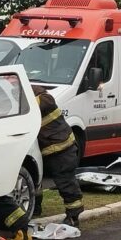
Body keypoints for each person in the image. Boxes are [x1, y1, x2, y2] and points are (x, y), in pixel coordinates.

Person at [32, 84, 83, 227]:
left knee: (65, 181)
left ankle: (74, 216)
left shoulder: (44, 99)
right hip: (51, 149)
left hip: (62, 150)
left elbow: (33, 107)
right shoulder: (38, 97)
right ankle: (35, 208)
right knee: (37, 179)